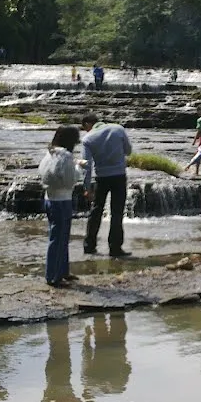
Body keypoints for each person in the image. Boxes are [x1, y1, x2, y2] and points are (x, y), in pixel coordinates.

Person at [80, 113, 132, 257]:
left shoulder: (88, 139)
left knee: (96, 211)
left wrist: (86, 187)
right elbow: (128, 151)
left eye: (85, 128)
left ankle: (89, 246)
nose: (85, 131)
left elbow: (86, 165)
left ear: (87, 124)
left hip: (101, 178)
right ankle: (115, 248)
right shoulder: (118, 129)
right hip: (119, 176)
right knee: (117, 213)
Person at [38, 125, 82, 287]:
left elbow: (44, 173)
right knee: (59, 239)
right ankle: (52, 276)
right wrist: (79, 167)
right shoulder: (67, 157)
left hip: (49, 199)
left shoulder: (50, 153)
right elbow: (71, 180)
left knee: (59, 236)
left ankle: (62, 271)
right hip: (63, 201)